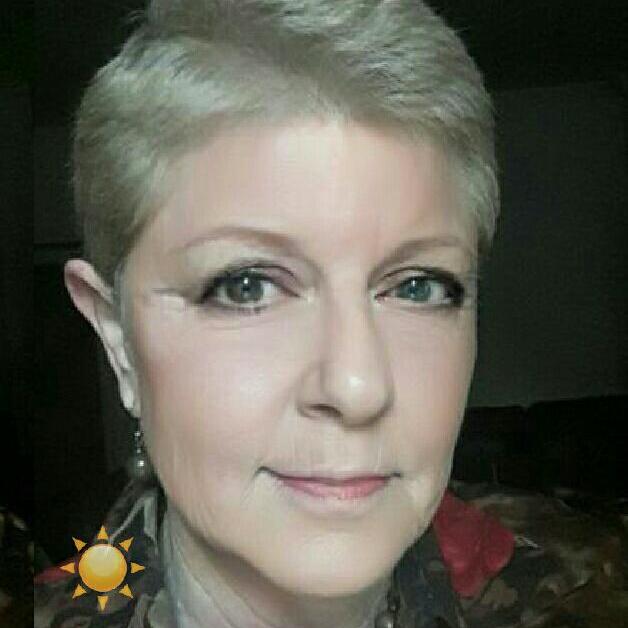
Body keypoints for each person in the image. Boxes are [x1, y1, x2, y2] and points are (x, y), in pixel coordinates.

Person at [34, 1, 627, 627]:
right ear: (117, 340)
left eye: (418, 286)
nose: (356, 387)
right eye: (246, 287)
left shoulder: (590, 595)